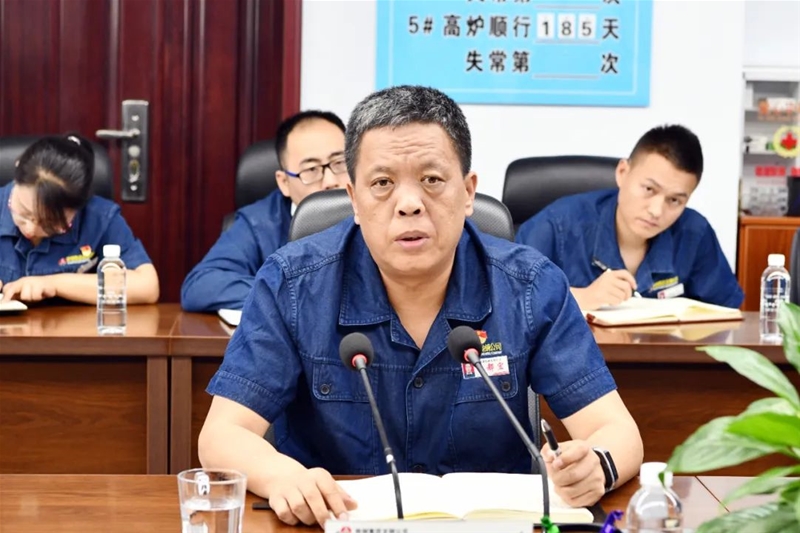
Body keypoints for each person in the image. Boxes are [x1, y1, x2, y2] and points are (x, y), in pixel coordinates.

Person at [198, 86, 643, 527]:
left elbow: (617, 431)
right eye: (382, 184)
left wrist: (596, 465)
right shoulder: (292, 285)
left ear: (468, 192)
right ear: (353, 199)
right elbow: (222, 434)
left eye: (431, 180)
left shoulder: (530, 287)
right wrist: (282, 476)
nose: (409, 204)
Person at [516, 125, 744, 311]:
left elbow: (727, 313)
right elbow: (510, 304)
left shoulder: (694, 233)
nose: (656, 210)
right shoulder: (556, 225)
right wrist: (581, 297)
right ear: (622, 173)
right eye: (649, 189)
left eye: (674, 200)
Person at [180, 110, 350, 312]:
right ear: (284, 182)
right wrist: (294, 295)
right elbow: (200, 285)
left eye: (340, 163)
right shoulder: (259, 223)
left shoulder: (377, 210)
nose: (330, 181)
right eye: (311, 169)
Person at [0, 133, 158, 305]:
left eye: (49, 224)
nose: (30, 229)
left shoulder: (99, 218)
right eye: (23, 212)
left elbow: (147, 287)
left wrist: (53, 283)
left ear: (78, 207)